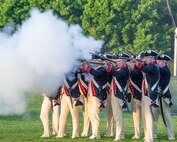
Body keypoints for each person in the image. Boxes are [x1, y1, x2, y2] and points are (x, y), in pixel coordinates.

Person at [135, 50, 160, 142]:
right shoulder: (149, 65)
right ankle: (147, 136)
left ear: (152, 58)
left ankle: (150, 138)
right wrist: (138, 62)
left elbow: (145, 69)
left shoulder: (154, 66)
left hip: (151, 95)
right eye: (146, 57)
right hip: (146, 94)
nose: (146, 59)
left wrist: (138, 62)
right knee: (145, 117)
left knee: (149, 117)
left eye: (148, 57)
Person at [105, 52, 130, 141]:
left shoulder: (125, 69)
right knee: (116, 116)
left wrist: (109, 68)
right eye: (117, 61)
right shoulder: (119, 69)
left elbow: (118, 75)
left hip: (119, 96)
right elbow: (114, 73)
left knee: (118, 117)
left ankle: (119, 135)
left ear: (124, 61)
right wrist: (109, 66)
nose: (117, 62)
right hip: (114, 94)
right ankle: (121, 135)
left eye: (119, 61)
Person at [82, 55, 108, 139]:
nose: (95, 62)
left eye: (96, 60)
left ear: (100, 61)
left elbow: (97, 74)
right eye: (94, 60)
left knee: (95, 116)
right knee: (91, 115)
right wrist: (84, 65)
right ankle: (94, 132)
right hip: (91, 95)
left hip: (97, 95)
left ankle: (96, 134)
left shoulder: (102, 69)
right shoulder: (93, 69)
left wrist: (87, 67)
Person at [154, 54, 175, 140]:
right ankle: (153, 135)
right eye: (158, 61)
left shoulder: (165, 70)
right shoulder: (158, 69)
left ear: (163, 62)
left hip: (164, 97)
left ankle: (171, 136)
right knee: (153, 117)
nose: (158, 63)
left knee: (167, 118)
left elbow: (157, 69)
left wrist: (150, 63)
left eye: (159, 61)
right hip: (156, 97)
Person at [56, 71, 82, 139]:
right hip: (64, 95)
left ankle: (75, 134)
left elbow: (79, 71)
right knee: (62, 116)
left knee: (74, 117)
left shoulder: (74, 68)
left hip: (72, 96)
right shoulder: (62, 68)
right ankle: (60, 133)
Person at [127, 58, 143, 139]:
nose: (130, 63)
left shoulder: (137, 70)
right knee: (135, 117)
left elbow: (134, 74)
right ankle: (137, 134)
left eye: (132, 62)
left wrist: (132, 67)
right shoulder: (133, 70)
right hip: (135, 96)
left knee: (144, 117)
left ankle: (146, 134)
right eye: (130, 62)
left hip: (139, 96)